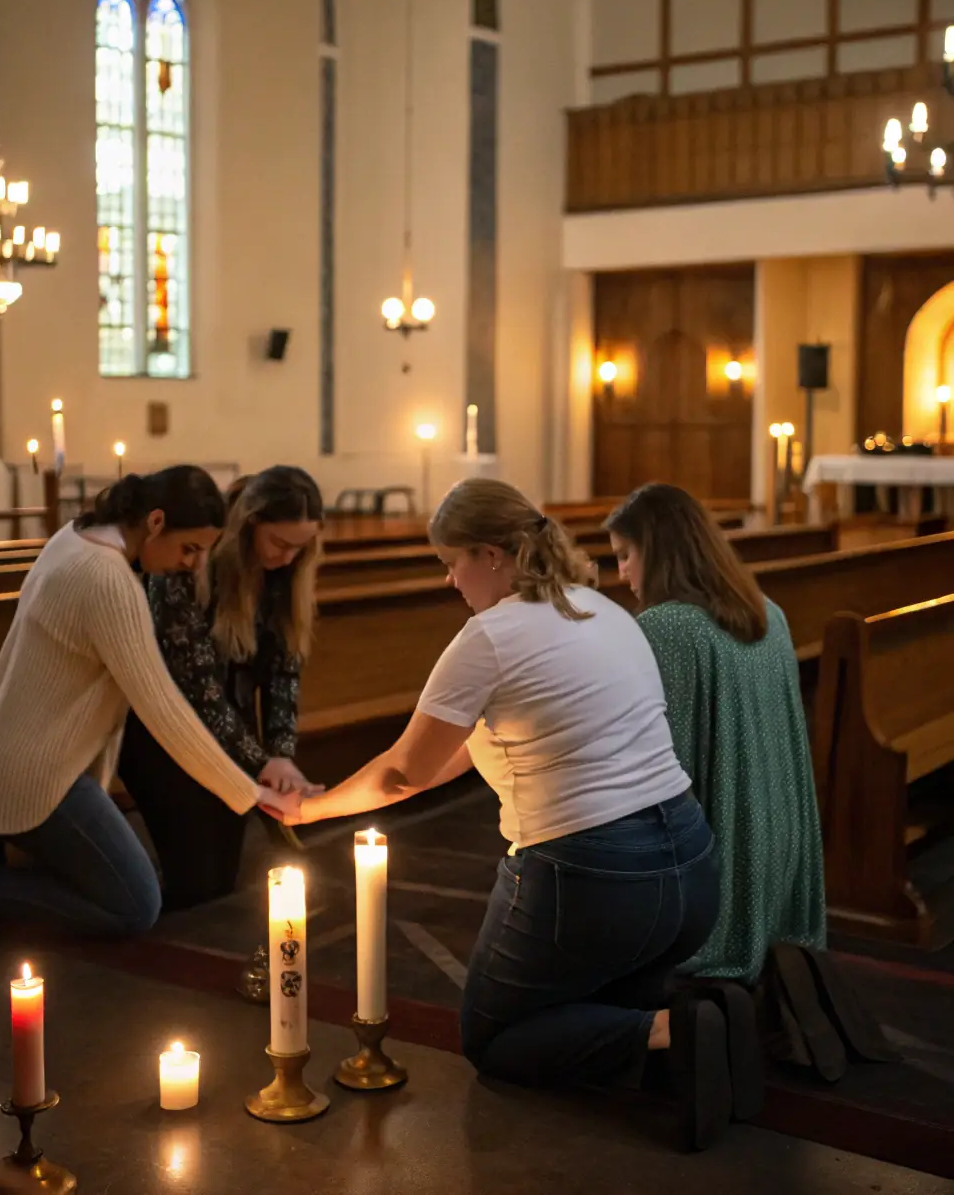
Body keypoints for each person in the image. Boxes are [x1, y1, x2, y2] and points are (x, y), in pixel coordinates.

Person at [271, 478, 735, 1149]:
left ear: (492, 554)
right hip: (692, 871)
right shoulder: (599, 607)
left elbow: (405, 773)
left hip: (595, 880)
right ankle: (683, 1029)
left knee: (496, 1037)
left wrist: (311, 807)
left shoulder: (489, 635)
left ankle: (671, 1030)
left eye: (452, 561)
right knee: (594, 998)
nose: (450, 579)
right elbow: (461, 749)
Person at [0, 466, 276, 942]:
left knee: (132, 881)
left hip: (15, 758)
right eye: (190, 549)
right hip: (32, 775)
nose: (194, 565)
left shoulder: (73, 537)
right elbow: (164, 711)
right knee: (137, 906)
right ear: (155, 522)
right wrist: (250, 793)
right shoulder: (108, 580)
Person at [605, 483, 827, 986]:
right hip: (780, 843)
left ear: (659, 551)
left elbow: (666, 770)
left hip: (729, 858)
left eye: (625, 555)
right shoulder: (769, 612)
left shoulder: (667, 627)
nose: (620, 573)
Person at [118, 466, 325, 910]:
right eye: (280, 543)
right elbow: (195, 686)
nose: (289, 558)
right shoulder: (189, 564)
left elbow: (283, 675)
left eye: (300, 548)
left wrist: (282, 754)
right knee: (195, 881)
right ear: (248, 524)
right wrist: (262, 760)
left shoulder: (286, 575)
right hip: (165, 738)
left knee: (218, 881)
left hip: (233, 735)